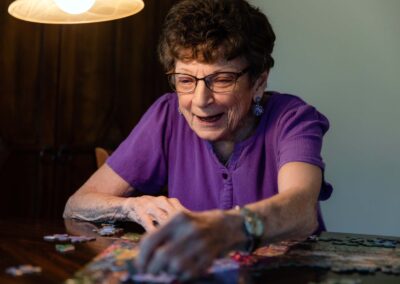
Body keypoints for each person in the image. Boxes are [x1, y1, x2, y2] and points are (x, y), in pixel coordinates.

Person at [64, 0, 333, 279]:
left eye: (222, 79)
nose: (201, 101)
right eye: (185, 80)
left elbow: (301, 209)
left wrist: (229, 227)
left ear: (259, 82)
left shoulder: (293, 118)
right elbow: (78, 203)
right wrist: (133, 205)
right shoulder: (167, 115)